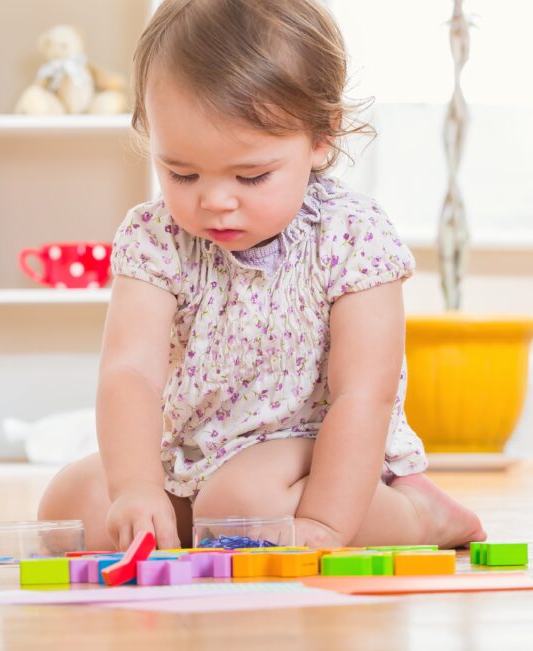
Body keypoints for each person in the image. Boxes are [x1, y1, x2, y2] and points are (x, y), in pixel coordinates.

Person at [39, 0, 486, 552]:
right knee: (73, 505)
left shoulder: (352, 235)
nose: (215, 201)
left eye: (251, 176)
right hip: (200, 452)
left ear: (322, 139)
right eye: (181, 172)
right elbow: (130, 370)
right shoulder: (155, 237)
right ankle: (206, 524)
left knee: (241, 506)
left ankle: (418, 515)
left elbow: (362, 395)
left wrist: (324, 523)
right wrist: (135, 488)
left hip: (321, 455)